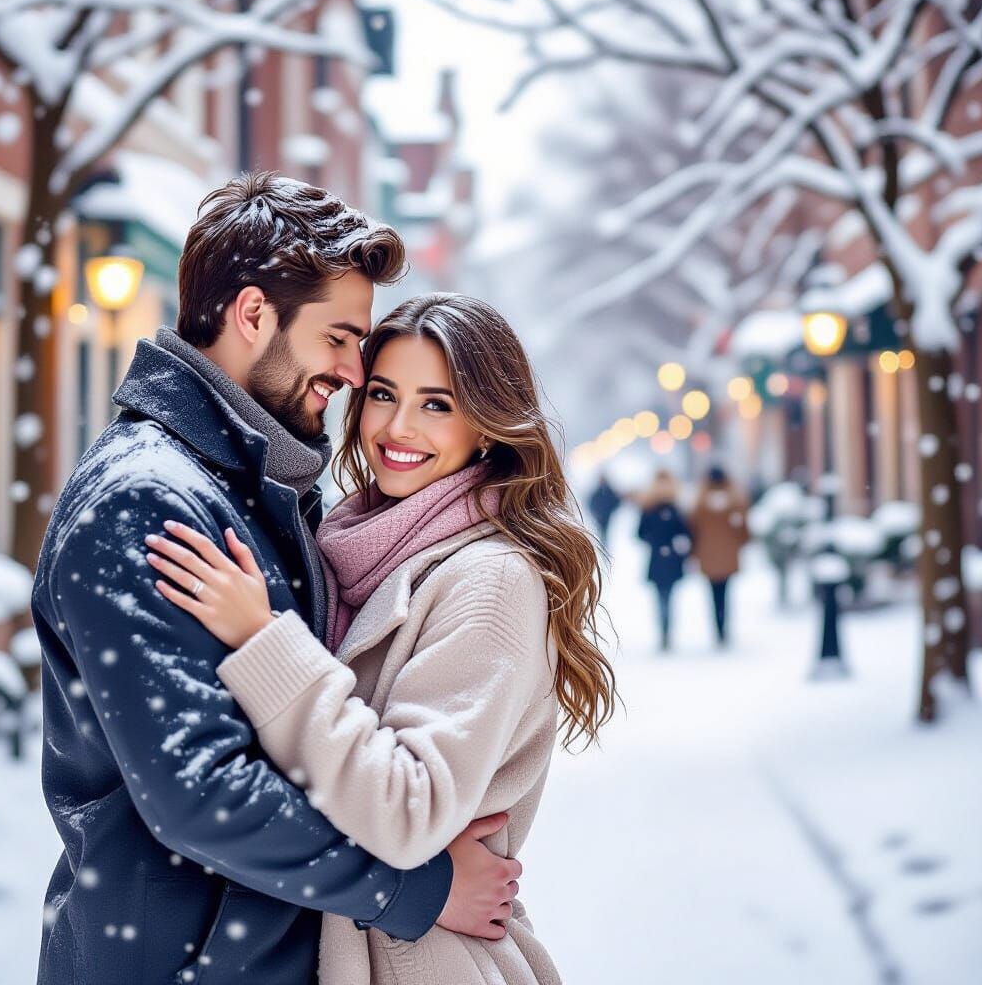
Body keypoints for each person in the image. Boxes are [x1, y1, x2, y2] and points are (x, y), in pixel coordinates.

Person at [31, 175, 520, 985]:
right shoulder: (147, 501)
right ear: (254, 314)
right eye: (339, 338)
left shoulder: (253, 488)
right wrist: (414, 888)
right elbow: (200, 791)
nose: (354, 371)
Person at [146, 292, 617, 984]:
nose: (398, 427)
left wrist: (264, 640)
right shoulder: (356, 548)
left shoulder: (489, 580)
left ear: (487, 428)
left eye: (437, 404)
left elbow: (406, 810)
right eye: (383, 394)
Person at [691, 464, 750, 646]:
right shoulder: (735, 502)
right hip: (728, 556)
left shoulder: (700, 503)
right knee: (725, 593)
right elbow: (744, 532)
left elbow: (693, 528)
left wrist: (695, 551)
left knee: (713, 593)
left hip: (708, 556)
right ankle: (724, 628)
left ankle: (717, 627)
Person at [633, 470, 691, 652]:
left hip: (660, 559)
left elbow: (640, 533)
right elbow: (685, 533)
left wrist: (656, 541)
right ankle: (666, 631)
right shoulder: (673, 508)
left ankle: (664, 631)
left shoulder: (651, 508)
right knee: (667, 597)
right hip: (669, 558)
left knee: (663, 597)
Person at [586, 473, 620, 549]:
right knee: (600, 531)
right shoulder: (597, 491)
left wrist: (610, 511)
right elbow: (591, 503)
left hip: (607, 516)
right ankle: (601, 546)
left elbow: (616, 501)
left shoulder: (609, 491)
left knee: (607, 532)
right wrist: (595, 512)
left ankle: (605, 547)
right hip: (600, 516)